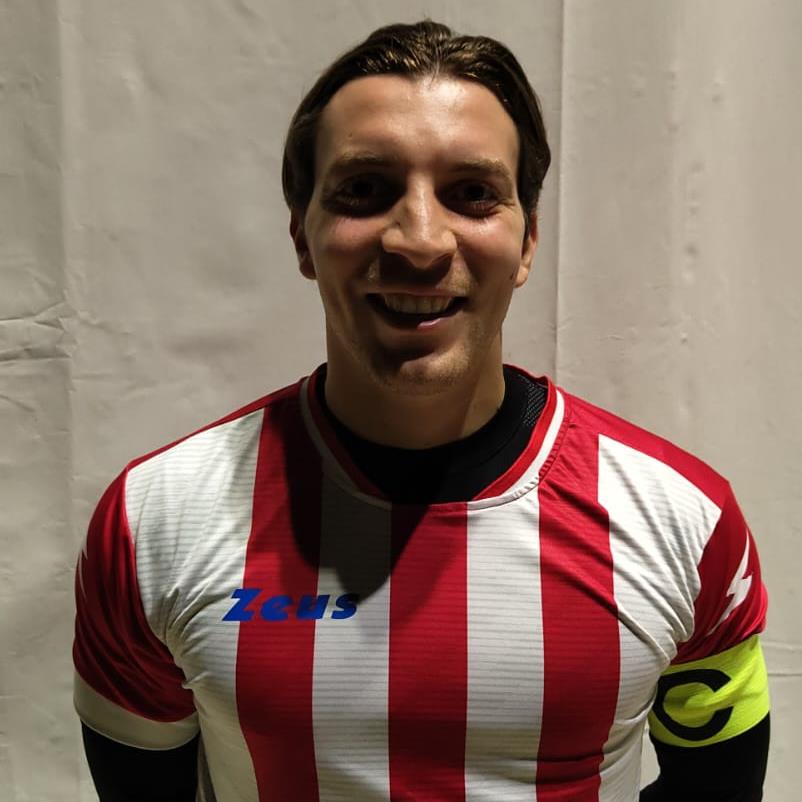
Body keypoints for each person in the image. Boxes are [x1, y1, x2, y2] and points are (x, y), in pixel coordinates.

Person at [72, 19, 770, 802]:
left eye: (472, 193)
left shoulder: (685, 523)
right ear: (302, 235)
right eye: (365, 190)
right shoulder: (153, 524)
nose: (420, 240)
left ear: (528, 240)